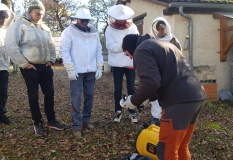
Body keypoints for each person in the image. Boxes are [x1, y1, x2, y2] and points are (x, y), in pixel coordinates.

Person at [121, 34, 206, 160]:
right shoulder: (164, 45)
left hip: (178, 101)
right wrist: (147, 99)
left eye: (127, 54)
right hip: (196, 96)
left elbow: (152, 82)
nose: (130, 57)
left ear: (129, 48)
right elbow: (165, 76)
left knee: (167, 150)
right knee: (181, 146)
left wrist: (133, 100)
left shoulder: (140, 50)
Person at [5, 0, 66, 136]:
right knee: (33, 96)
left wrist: (51, 60)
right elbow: (11, 46)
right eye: (37, 13)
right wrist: (24, 64)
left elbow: (51, 45)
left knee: (49, 93)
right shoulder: (19, 25)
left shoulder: (44, 27)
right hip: (29, 67)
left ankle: (51, 120)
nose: (40, 16)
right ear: (30, 11)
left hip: (45, 66)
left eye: (42, 14)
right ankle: (37, 123)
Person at [60, 8, 104, 138]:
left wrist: (99, 67)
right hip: (77, 71)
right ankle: (76, 125)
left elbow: (98, 50)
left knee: (89, 96)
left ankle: (86, 120)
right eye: (82, 19)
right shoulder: (69, 32)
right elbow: (64, 50)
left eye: (86, 20)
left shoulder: (94, 33)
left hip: (91, 71)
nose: (84, 22)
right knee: (76, 98)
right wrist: (69, 68)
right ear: (77, 19)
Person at [105, 4, 139, 123]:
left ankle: (132, 111)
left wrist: (127, 48)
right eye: (118, 19)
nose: (120, 21)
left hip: (130, 63)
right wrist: (124, 46)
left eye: (122, 19)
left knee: (131, 88)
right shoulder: (109, 29)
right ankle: (118, 110)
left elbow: (137, 43)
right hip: (116, 64)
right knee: (117, 89)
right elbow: (109, 46)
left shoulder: (133, 27)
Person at [147, 17, 183, 125]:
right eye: (158, 29)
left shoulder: (173, 40)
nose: (160, 31)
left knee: (169, 94)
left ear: (166, 29)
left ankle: (169, 116)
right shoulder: (154, 40)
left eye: (162, 28)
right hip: (157, 71)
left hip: (170, 71)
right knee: (155, 94)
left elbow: (179, 56)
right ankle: (156, 117)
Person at [0, 3, 14, 124]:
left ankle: (1, 113)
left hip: (3, 67)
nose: (2, 19)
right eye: (0, 16)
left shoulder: (5, 31)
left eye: (4, 17)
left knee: (3, 91)